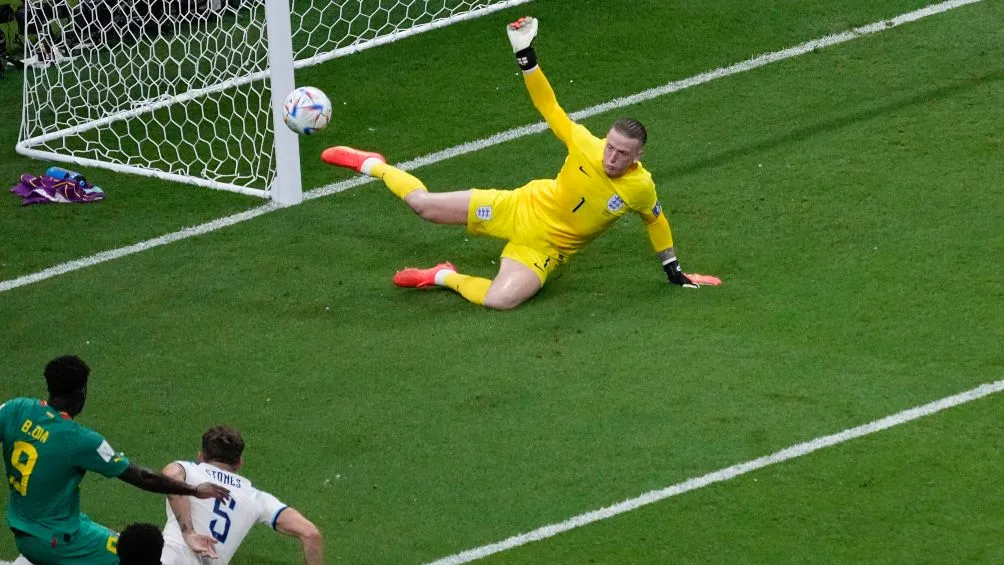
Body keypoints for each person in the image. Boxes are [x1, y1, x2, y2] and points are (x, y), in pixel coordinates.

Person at [321, 16, 721, 310]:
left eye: (621, 153)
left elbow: (656, 220)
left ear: (638, 157)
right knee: (422, 205)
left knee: (501, 300)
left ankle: (441, 274)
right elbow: (550, 107)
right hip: (520, 207)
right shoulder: (584, 144)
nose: (611, 157)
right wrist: (525, 54)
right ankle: (372, 164)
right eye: (610, 147)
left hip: (544, 248)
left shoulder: (640, 186)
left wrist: (673, 270)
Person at [0, 355, 230, 565]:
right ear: (81, 392)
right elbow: (142, 477)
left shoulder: (16, 408)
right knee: (136, 557)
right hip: (55, 541)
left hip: (29, 529)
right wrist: (193, 489)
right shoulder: (79, 440)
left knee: (115, 539)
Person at [160, 425, 323, 565]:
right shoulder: (257, 498)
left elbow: (171, 477)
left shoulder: (187, 469)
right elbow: (311, 534)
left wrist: (188, 532)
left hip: (168, 558)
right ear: (239, 463)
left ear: (201, 456)